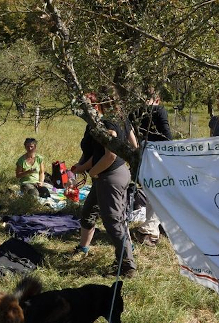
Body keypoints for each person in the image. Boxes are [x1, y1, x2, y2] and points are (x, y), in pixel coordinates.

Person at [70, 92, 136, 278]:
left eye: (85, 107)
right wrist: (83, 168)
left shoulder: (107, 124)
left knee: (113, 221)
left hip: (110, 176)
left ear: (97, 106)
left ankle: (127, 266)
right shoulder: (101, 123)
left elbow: (110, 155)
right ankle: (84, 248)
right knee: (90, 211)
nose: (81, 111)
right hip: (106, 175)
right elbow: (98, 152)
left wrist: (92, 172)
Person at [128, 90, 173, 246]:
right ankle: (150, 231)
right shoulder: (159, 110)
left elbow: (130, 132)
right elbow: (166, 135)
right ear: (158, 99)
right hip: (158, 156)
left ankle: (152, 227)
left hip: (142, 154)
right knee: (159, 191)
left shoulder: (134, 111)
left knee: (152, 190)